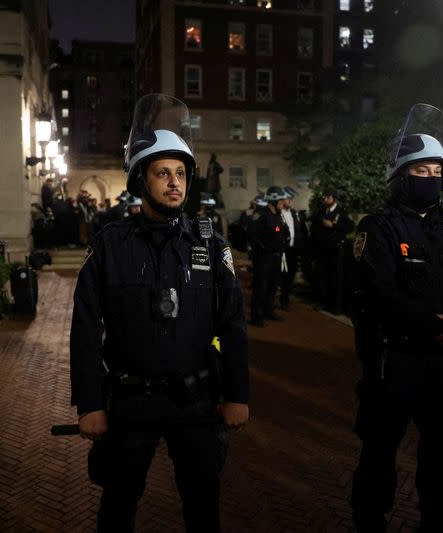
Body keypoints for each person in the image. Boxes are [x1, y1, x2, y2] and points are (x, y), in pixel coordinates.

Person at [70, 94, 250, 533]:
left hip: (196, 402)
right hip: (132, 402)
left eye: (181, 173)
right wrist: (90, 403)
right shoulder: (112, 245)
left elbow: (233, 324)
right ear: (140, 178)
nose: (175, 182)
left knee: (203, 505)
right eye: (162, 172)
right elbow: (85, 327)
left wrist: (238, 393)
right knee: (118, 506)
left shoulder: (210, 244)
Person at [350, 105, 443, 533]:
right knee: (379, 452)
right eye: (421, 170)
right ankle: (370, 520)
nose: (431, 179)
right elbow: (381, 295)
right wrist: (441, 327)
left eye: (436, 171)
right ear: (400, 174)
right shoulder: (379, 228)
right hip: (398, 364)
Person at [246, 186, 289, 327]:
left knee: (272, 286)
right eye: (281, 201)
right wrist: (264, 248)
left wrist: (285, 239)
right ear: (273, 201)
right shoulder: (260, 215)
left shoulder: (279, 215)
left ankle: (268, 311)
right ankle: (256, 316)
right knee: (261, 287)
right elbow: (252, 236)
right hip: (264, 258)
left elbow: (284, 231)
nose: (283, 203)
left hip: (276, 257)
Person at [311, 189, 354, 313]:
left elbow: (350, 227)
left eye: (327, 197)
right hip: (323, 250)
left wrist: (334, 225)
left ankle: (336, 306)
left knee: (336, 277)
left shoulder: (342, 212)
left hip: (336, 250)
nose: (325, 199)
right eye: (324, 197)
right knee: (324, 277)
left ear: (334, 198)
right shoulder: (321, 212)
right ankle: (325, 302)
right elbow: (315, 228)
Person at [279, 186, 308, 310]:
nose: (289, 201)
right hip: (281, 250)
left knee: (290, 275)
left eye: (291, 198)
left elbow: (301, 230)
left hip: (293, 250)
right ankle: (281, 299)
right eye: (287, 198)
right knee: (282, 275)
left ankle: (285, 298)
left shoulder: (294, 214)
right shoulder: (278, 213)